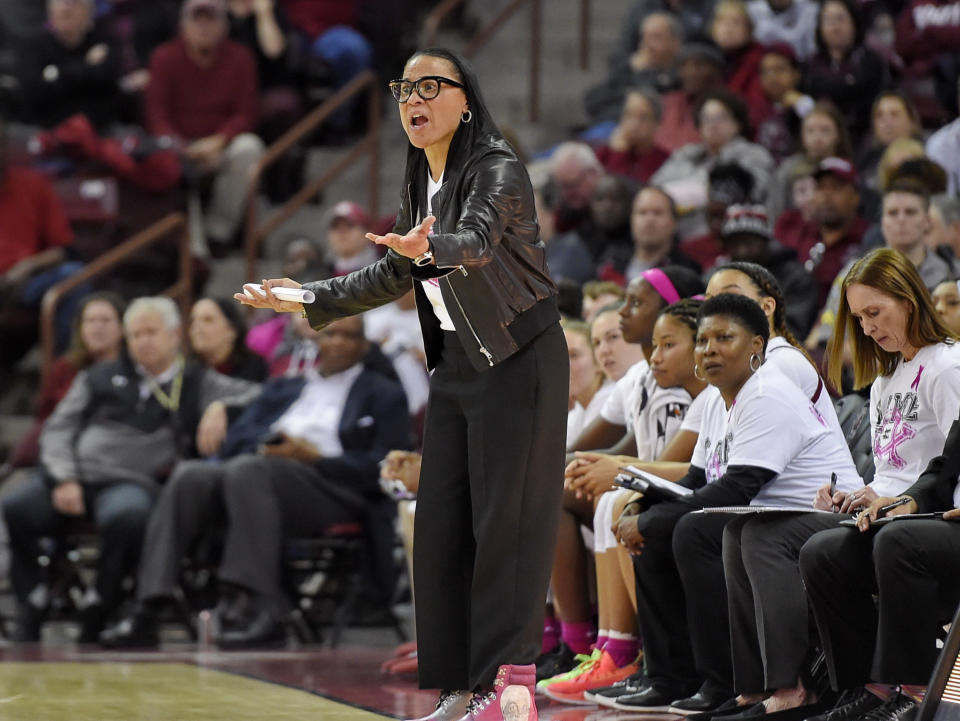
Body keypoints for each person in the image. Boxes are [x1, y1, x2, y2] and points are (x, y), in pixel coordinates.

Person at [236, 47, 568, 721]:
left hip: (520, 357)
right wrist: (309, 296)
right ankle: (457, 686)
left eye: (430, 86)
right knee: (440, 524)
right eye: (404, 88)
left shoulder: (497, 169)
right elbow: (392, 273)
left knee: (506, 524)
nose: (412, 98)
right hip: (457, 365)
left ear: (465, 101)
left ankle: (510, 689)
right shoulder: (422, 176)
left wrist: (432, 248)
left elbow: (474, 241)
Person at [609, 293, 860, 711]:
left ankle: (740, 682)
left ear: (757, 346)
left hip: (827, 516)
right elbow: (696, 478)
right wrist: (642, 507)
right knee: (674, 528)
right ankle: (674, 675)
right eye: (704, 340)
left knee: (700, 531)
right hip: (771, 519)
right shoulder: (714, 400)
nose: (710, 349)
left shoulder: (765, 393)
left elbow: (737, 488)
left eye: (725, 338)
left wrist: (654, 522)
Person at [99, 314, 412, 648]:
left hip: (333, 489)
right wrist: (269, 442)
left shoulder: (384, 394)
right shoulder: (286, 386)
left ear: (363, 345)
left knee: (249, 470)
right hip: (259, 478)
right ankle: (149, 604)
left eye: (348, 337)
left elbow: (388, 466)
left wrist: (314, 458)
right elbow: (237, 438)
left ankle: (255, 606)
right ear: (316, 340)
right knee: (191, 473)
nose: (337, 342)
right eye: (330, 333)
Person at [1, 297, 259, 642]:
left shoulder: (196, 380)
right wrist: (64, 478)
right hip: (72, 476)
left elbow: (263, 395)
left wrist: (219, 406)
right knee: (16, 507)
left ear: (174, 335)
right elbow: (57, 429)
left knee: (127, 516)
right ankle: (32, 596)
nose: (143, 341)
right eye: (135, 335)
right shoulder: (98, 376)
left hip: (130, 482)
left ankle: (101, 599)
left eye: (151, 332)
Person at [799, 247, 960, 721]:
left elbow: (953, 463)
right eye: (858, 317)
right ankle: (866, 685)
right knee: (822, 553)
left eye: (875, 312)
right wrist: (863, 495)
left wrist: (900, 502)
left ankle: (912, 691)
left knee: (895, 539)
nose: (867, 328)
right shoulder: (886, 379)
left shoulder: (948, 366)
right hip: (906, 513)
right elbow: (893, 471)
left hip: (942, 515)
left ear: (908, 300)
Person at [145, 0, 264, 250]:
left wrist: (219, 140)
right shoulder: (164, 57)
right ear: (183, 26)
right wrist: (182, 147)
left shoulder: (241, 58)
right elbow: (157, 116)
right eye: (196, 20)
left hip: (220, 146)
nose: (203, 27)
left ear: (225, 26)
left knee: (250, 147)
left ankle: (218, 233)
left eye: (211, 20)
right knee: (168, 160)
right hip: (179, 148)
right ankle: (195, 253)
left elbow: (246, 113)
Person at [2, 292, 125, 476]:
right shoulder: (64, 367)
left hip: (111, 457)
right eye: (90, 321)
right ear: (80, 328)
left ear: (123, 327)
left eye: (105, 320)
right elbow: (44, 416)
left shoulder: (133, 370)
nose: (97, 327)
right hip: (58, 453)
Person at [651, 89, 774, 238]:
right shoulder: (685, 155)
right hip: (676, 233)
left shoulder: (754, 155)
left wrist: (682, 192)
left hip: (728, 234)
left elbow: (752, 192)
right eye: (706, 119)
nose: (713, 125)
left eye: (720, 118)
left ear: (737, 123)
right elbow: (653, 190)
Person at [16, 0, 121, 130]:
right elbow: (34, 94)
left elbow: (108, 88)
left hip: (98, 130)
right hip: (47, 130)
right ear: (50, 12)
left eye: (74, 2)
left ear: (89, 12)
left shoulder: (104, 44)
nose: (66, 9)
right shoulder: (32, 48)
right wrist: (86, 65)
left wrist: (57, 74)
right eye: (60, 3)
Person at [716, 205, 818, 337]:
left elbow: (793, 331)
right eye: (735, 244)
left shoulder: (795, 279)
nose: (742, 251)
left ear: (766, 242)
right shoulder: (717, 277)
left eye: (749, 243)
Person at [803, 0, 887, 138]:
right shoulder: (811, 64)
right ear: (820, 26)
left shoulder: (870, 60)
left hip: (864, 134)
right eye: (828, 20)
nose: (835, 27)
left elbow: (859, 94)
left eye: (840, 19)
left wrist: (825, 88)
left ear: (854, 22)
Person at [768, 100, 852, 223]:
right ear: (802, 136)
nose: (817, 137)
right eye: (810, 130)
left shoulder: (846, 169)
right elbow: (774, 210)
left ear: (838, 134)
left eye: (825, 130)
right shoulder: (788, 168)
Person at [596, 186, 701, 284]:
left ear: (674, 222)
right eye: (642, 212)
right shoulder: (609, 263)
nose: (649, 220)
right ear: (631, 220)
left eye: (657, 213)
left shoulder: (685, 273)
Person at [592, 89, 670, 184]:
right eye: (628, 115)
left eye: (643, 117)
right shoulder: (603, 154)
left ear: (657, 124)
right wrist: (619, 153)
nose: (634, 124)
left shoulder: (665, 161)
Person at [188, 297, 268, 381]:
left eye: (208, 320)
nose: (197, 328)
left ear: (232, 330)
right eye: (193, 321)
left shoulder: (254, 368)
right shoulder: (186, 373)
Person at [746, 0, 819, 61]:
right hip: (760, 67)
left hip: (800, 67)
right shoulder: (751, 10)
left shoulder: (809, 10)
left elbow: (813, 51)